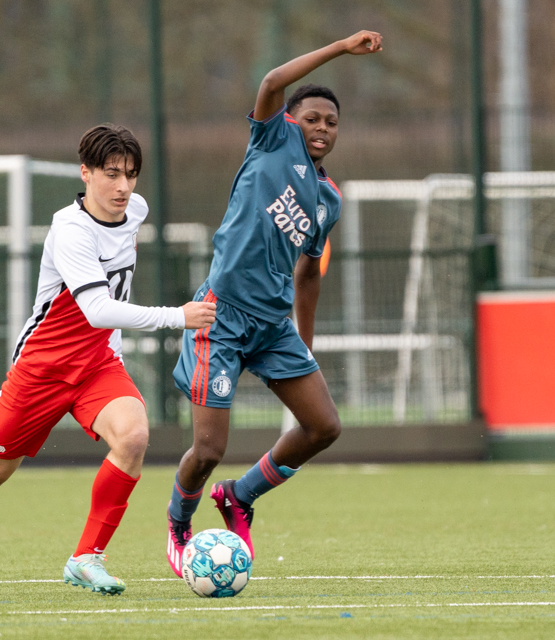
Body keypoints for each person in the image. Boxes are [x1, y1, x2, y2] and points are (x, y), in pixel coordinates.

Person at [0, 124, 216, 598]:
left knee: (134, 435)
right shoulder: (70, 229)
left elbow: (109, 310)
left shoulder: (136, 211)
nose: (123, 187)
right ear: (85, 173)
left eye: (130, 175)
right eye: (111, 174)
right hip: (42, 370)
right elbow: (98, 308)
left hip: (97, 366)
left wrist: (115, 349)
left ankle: (87, 557)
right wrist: (178, 317)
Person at [165, 30, 383, 575]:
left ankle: (238, 497)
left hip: (273, 326)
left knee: (324, 427)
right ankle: (178, 523)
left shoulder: (329, 199)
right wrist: (339, 49)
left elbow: (309, 274)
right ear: (291, 120)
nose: (323, 129)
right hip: (222, 316)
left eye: (332, 123)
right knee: (208, 449)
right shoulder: (270, 140)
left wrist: (303, 348)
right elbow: (269, 82)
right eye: (313, 118)